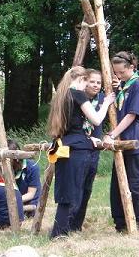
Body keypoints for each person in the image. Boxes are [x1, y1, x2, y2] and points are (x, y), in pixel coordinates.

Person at [47, 66, 114, 238]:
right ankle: (60, 233)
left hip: (64, 145)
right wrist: (106, 103)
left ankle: (63, 230)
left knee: (66, 191)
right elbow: (96, 119)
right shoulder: (77, 94)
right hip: (77, 149)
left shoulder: (61, 96)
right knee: (73, 192)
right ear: (82, 79)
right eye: (88, 81)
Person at [102, 51, 139, 232]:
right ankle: (120, 222)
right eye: (116, 73)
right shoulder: (124, 86)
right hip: (122, 143)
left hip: (136, 142)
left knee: (138, 185)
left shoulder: (138, 85)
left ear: (132, 67)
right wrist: (118, 85)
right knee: (117, 186)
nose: (118, 76)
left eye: (122, 73)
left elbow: (132, 115)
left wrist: (112, 134)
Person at [69, 69, 105, 232]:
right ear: (84, 81)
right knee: (75, 186)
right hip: (78, 148)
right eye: (92, 82)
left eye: (99, 82)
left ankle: (77, 225)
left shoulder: (103, 99)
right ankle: (67, 223)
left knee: (87, 187)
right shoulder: (77, 99)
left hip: (93, 151)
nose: (96, 85)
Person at [8, 139, 41, 217]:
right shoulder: (3, 167)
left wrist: (13, 201)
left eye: (8, 159)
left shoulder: (32, 167)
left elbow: (31, 194)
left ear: (16, 158)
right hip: (13, 201)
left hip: (30, 203)